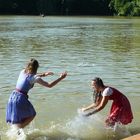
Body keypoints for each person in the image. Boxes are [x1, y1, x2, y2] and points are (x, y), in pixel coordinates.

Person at [6, 58, 67, 129]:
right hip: (20, 98)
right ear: (36, 67)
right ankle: (19, 129)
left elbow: (32, 74)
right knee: (32, 114)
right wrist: (61, 78)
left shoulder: (22, 71)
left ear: (27, 66)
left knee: (17, 118)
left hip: (12, 96)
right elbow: (49, 85)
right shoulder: (35, 78)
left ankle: (16, 131)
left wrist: (44, 74)